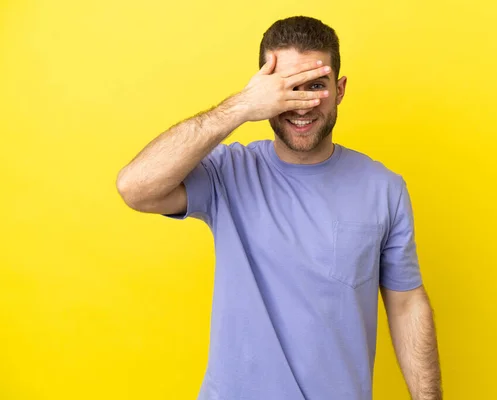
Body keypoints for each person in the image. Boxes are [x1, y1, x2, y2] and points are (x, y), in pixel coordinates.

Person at [116, 15, 442, 400]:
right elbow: (135, 187)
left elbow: (406, 306)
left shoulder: (384, 188)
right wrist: (238, 107)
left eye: (315, 86)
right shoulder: (227, 173)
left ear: (339, 90)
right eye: (287, 88)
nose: (301, 104)